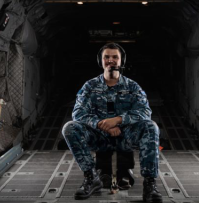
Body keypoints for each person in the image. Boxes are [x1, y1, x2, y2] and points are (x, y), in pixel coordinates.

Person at [62, 42, 162, 203]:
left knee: (151, 126)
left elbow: (145, 112)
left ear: (121, 61)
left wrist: (118, 120)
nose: (111, 60)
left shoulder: (132, 86)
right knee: (69, 128)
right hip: (98, 137)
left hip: (125, 137)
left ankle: (149, 184)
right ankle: (91, 177)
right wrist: (103, 124)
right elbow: (78, 113)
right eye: (106, 57)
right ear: (100, 61)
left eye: (115, 57)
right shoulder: (90, 86)